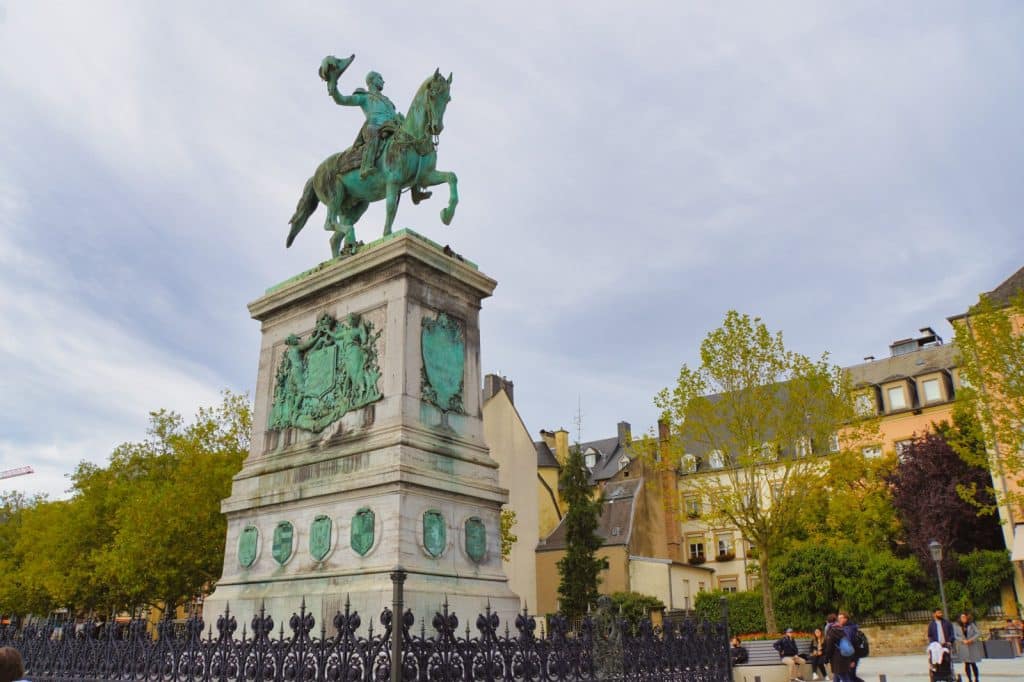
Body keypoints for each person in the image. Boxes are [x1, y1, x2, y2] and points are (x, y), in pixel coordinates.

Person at [327, 69, 399, 178]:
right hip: (375, 126)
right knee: (373, 134)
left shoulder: (387, 101)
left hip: (392, 127)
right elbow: (342, 100)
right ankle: (366, 166)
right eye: (380, 78)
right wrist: (334, 89)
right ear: (372, 80)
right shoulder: (365, 97)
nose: (383, 81)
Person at [823, 617, 854, 682]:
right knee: (837, 677)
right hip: (844, 656)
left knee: (844, 678)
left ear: (827, 622)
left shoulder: (831, 632)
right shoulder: (841, 629)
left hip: (837, 660)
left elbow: (829, 648)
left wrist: (826, 659)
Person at [954, 612, 983, 682]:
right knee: (966, 664)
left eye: (964, 617)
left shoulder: (971, 624)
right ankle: (969, 679)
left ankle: (976, 679)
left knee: (973, 663)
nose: (964, 619)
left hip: (971, 645)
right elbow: (955, 636)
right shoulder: (957, 626)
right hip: (963, 646)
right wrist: (962, 640)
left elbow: (978, 633)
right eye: (962, 617)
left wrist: (971, 640)